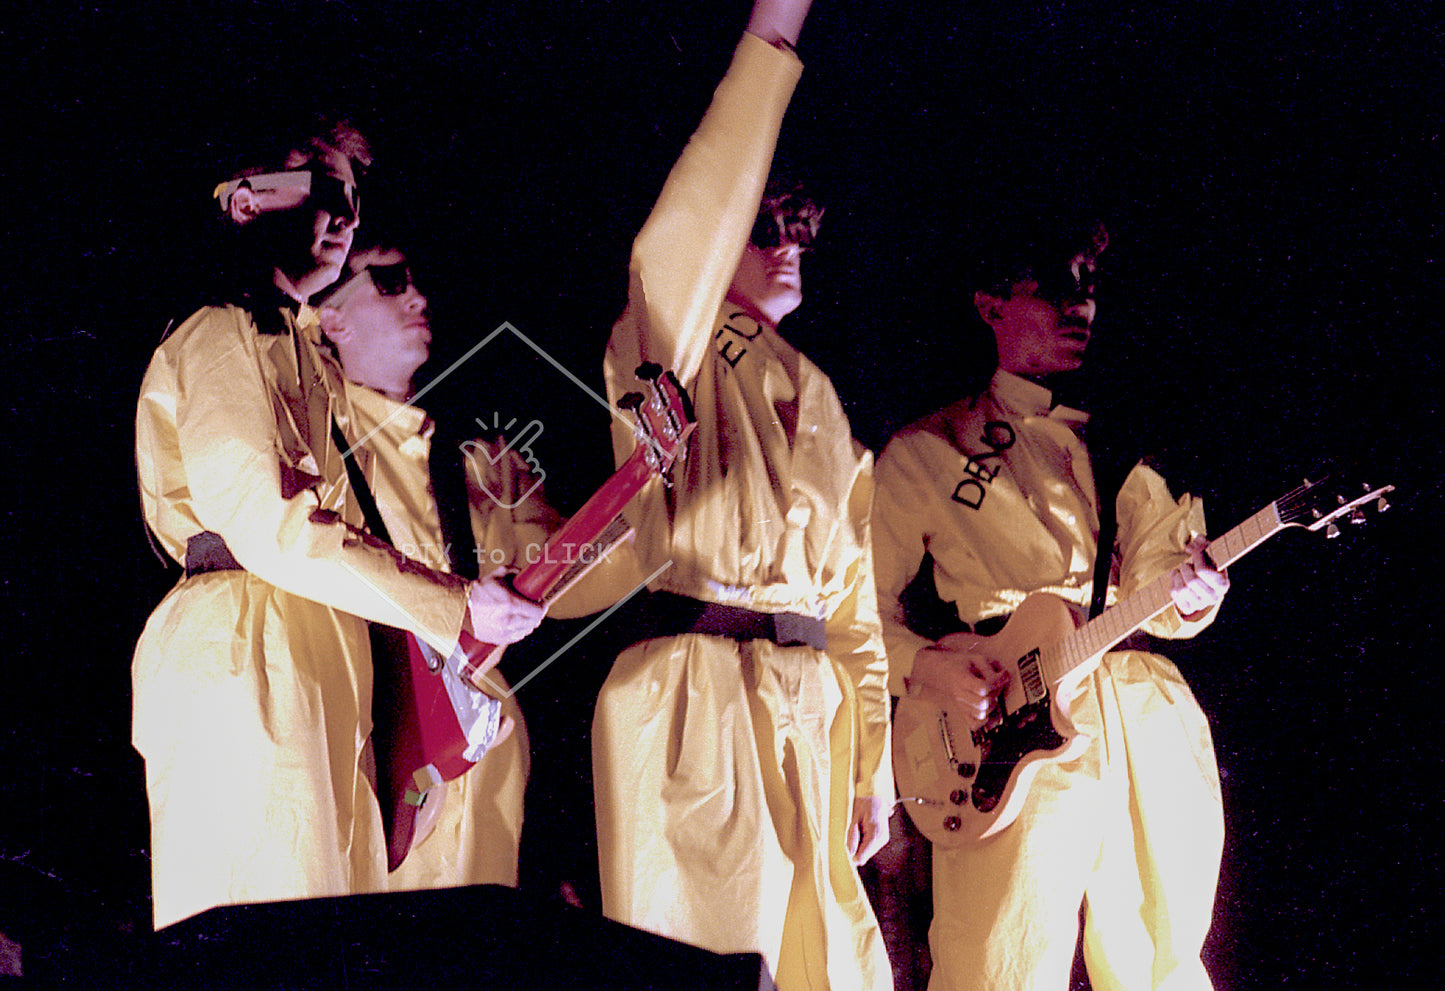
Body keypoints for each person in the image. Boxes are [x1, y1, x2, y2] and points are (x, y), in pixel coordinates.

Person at [132, 119, 543, 929]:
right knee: (266, 929)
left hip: (316, 649)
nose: (346, 213)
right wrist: (452, 603)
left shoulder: (301, 354)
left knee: (329, 934)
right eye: (321, 187)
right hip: (243, 644)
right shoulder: (217, 334)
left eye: (353, 195)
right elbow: (266, 518)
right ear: (246, 201)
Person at [591, 2, 893, 988]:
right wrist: (774, 31)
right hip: (693, 693)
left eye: (797, 223)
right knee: (710, 962)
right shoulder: (671, 335)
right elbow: (686, 224)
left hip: (808, 710)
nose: (786, 239)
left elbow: (853, 608)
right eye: (763, 222)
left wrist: (870, 771)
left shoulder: (819, 397)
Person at [871, 211, 1231, 990]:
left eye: (1090, 287)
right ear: (990, 302)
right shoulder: (930, 447)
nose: (1080, 306)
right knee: (998, 958)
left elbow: (1165, 583)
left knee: (1163, 957)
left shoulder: (1128, 437)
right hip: (1010, 715)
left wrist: (1195, 592)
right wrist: (930, 667)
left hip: (1137, 705)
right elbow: (859, 610)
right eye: (1056, 285)